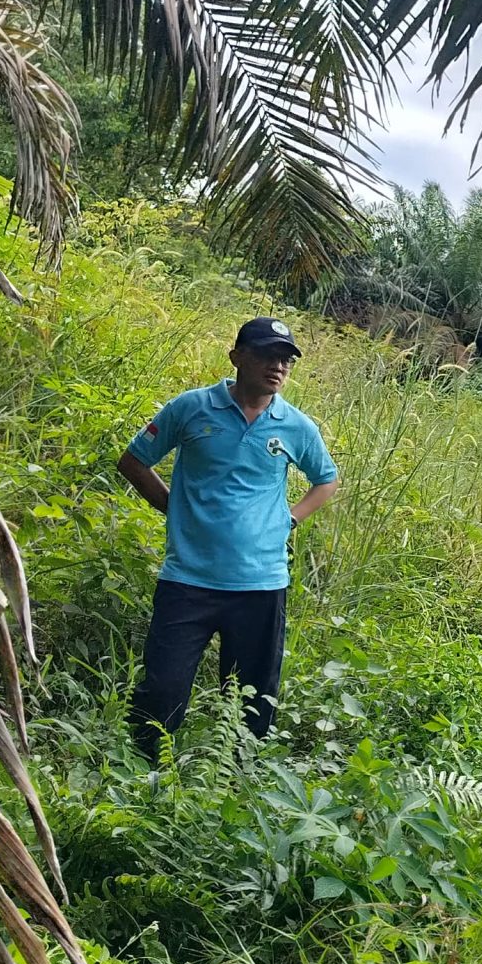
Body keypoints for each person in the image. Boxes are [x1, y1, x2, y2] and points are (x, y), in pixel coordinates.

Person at [119, 315, 339, 760]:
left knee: (252, 702)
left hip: (261, 584)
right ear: (237, 356)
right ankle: (144, 776)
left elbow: (326, 480)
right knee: (162, 691)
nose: (276, 366)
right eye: (265, 355)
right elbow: (134, 461)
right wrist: (173, 506)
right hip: (187, 580)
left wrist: (290, 520)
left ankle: (236, 784)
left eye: (285, 360)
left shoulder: (295, 426)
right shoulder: (191, 408)